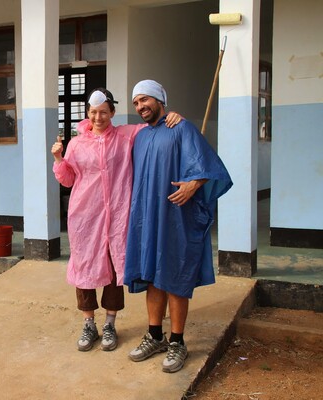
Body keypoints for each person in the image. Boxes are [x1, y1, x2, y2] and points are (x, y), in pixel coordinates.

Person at [51, 88, 181, 352]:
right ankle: (89, 323)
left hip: (119, 215)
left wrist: (172, 116)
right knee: (84, 267)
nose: (98, 117)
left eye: (103, 112)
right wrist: (58, 159)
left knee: (112, 267)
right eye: (93, 112)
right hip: (85, 215)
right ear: (88, 113)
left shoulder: (126, 135)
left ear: (112, 112)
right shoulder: (76, 144)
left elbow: (153, 125)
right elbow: (67, 179)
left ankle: (110, 323)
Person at [124, 80, 232, 373]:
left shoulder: (181, 129)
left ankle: (177, 342)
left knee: (175, 275)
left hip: (176, 216)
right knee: (151, 275)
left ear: (160, 99)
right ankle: (155, 335)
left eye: (145, 100)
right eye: (135, 103)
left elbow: (211, 168)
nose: (140, 107)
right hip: (147, 217)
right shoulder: (141, 137)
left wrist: (194, 185)